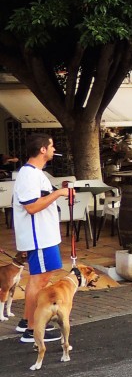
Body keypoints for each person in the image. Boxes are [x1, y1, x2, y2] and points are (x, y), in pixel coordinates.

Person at [12, 133, 69, 344]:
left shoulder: (36, 173)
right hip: (39, 238)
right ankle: (32, 329)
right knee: (39, 279)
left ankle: (26, 321)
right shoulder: (29, 175)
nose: (54, 149)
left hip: (45, 237)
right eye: (52, 146)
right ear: (43, 150)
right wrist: (58, 194)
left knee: (42, 278)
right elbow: (31, 206)